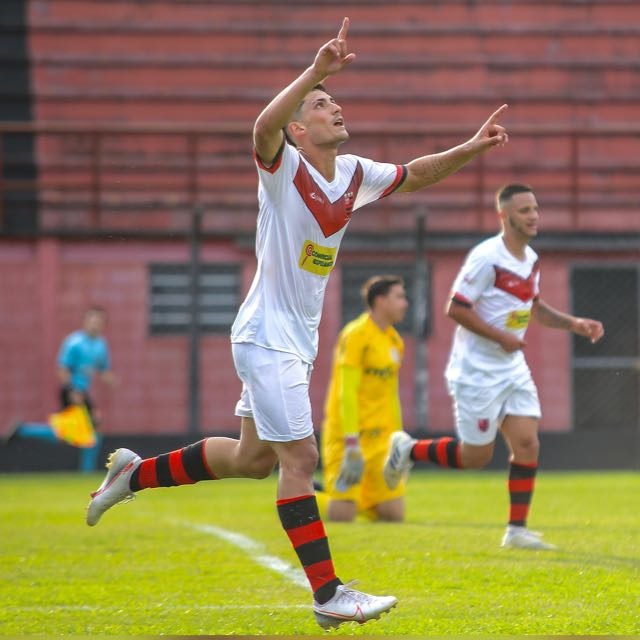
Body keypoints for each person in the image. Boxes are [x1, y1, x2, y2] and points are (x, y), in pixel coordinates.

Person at [85, 17, 510, 629]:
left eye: (334, 98)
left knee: (252, 460)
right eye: (321, 103)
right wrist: (315, 70)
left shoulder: (356, 174)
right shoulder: (282, 167)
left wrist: (470, 148)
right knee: (301, 459)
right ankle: (328, 595)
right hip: (266, 336)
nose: (334, 104)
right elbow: (260, 127)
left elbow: (415, 174)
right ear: (298, 129)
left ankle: (134, 473)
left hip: (291, 341)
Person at [383, 183, 604, 550]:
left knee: (527, 442)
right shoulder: (486, 257)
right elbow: (455, 307)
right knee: (476, 457)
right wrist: (500, 337)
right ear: (504, 216)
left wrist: (573, 323)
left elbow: (533, 306)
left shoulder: (530, 258)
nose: (533, 216)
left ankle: (516, 530)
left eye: (535, 209)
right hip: (477, 371)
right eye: (524, 211)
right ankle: (408, 449)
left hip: (511, 366)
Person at [321, 275, 408, 522]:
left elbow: (391, 394)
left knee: (393, 515)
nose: (405, 303)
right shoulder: (356, 335)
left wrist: (398, 440)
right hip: (350, 438)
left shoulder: (394, 341)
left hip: (381, 440)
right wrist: (350, 441)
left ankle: (361, 501)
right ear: (380, 301)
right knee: (342, 515)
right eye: (399, 297)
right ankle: (309, 498)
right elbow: (346, 391)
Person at [7, 306, 115, 472]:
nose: (95, 324)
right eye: (92, 320)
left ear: (103, 324)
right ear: (85, 322)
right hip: (70, 391)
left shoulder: (101, 344)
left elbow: (101, 368)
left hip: (82, 391)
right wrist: (72, 390)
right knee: (93, 427)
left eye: (99, 322)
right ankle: (87, 471)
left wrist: (108, 378)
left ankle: (24, 430)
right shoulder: (75, 342)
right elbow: (62, 369)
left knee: (66, 433)